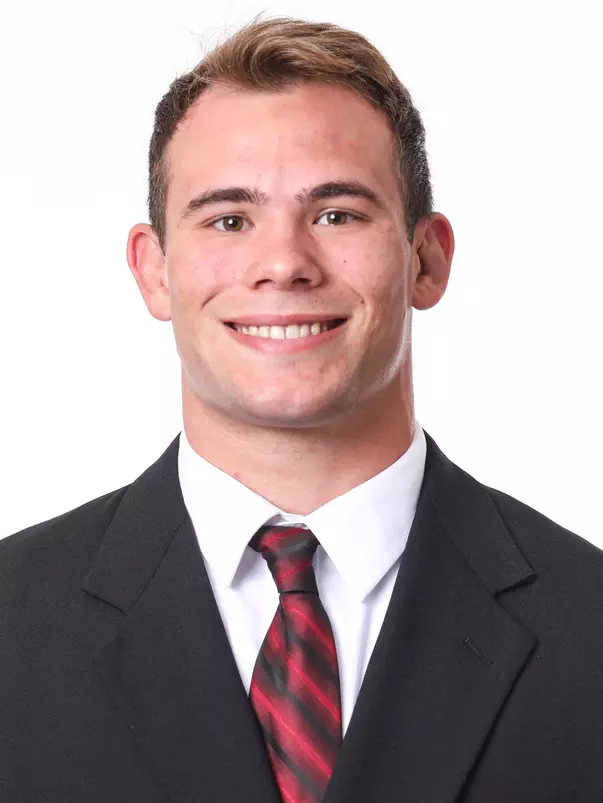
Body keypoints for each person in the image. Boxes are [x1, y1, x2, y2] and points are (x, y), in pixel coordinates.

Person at [1, 15, 601, 803]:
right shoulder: (13, 624)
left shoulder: (587, 625)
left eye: (336, 213)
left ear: (426, 259)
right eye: (228, 219)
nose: (283, 262)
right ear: (154, 271)